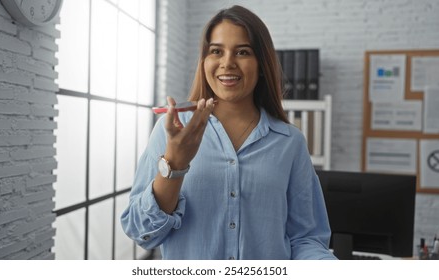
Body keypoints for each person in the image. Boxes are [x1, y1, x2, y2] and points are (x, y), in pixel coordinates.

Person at [121, 5, 336, 260]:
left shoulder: (291, 143)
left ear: (262, 64)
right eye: (216, 51)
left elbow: (306, 238)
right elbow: (140, 232)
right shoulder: (173, 131)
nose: (227, 63)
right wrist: (175, 164)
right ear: (204, 61)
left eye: (242, 52)